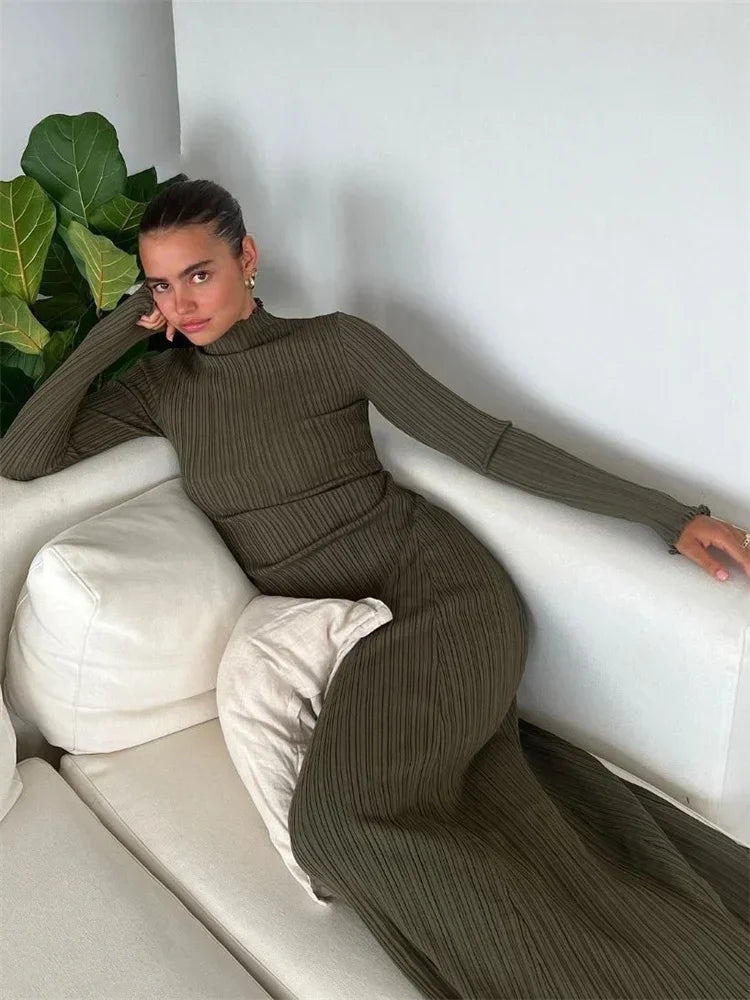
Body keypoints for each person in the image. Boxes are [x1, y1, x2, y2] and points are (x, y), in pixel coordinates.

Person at [1, 179, 748, 999]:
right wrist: (120, 329)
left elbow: (487, 444)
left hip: (437, 593)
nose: (182, 303)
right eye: (160, 285)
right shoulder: (163, 390)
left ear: (247, 258)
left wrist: (667, 515)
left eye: (199, 274)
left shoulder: (335, 344)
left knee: (337, 826)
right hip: (355, 631)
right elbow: (24, 456)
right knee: (406, 822)